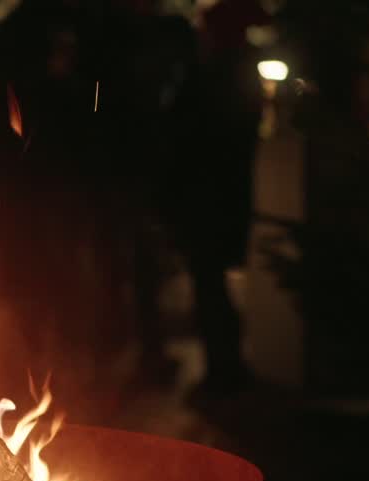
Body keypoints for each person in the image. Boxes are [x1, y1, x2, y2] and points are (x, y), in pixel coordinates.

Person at [155, 0, 267, 400]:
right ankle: (225, 368)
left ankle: (225, 372)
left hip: (209, 198)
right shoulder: (231, 71)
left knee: (210, 285)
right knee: (210, 284)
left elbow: (198, 135)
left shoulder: (221, 74)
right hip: (217, 196)